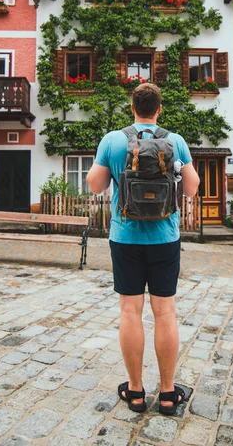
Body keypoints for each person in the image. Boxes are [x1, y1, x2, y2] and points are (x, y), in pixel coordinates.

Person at [86, 83, 200, 415]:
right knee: (165, 313)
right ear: (159, 109)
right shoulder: (175, 141)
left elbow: (95, 185)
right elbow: (192, 189)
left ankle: (135, 391)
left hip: (125, 238)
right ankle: (167, 393)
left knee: (129, 312)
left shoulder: (113, 140)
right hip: (165, 237)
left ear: (132, 107)